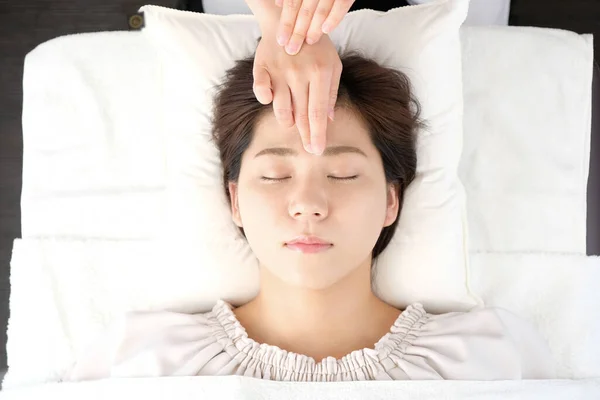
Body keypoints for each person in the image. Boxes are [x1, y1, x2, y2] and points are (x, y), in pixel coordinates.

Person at [62, 48, 557, 382]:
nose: (308, 203)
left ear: (391, 201)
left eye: (342, 174)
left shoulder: (492, 357)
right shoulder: (141, 359)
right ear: (235, 201)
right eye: (276, 175)